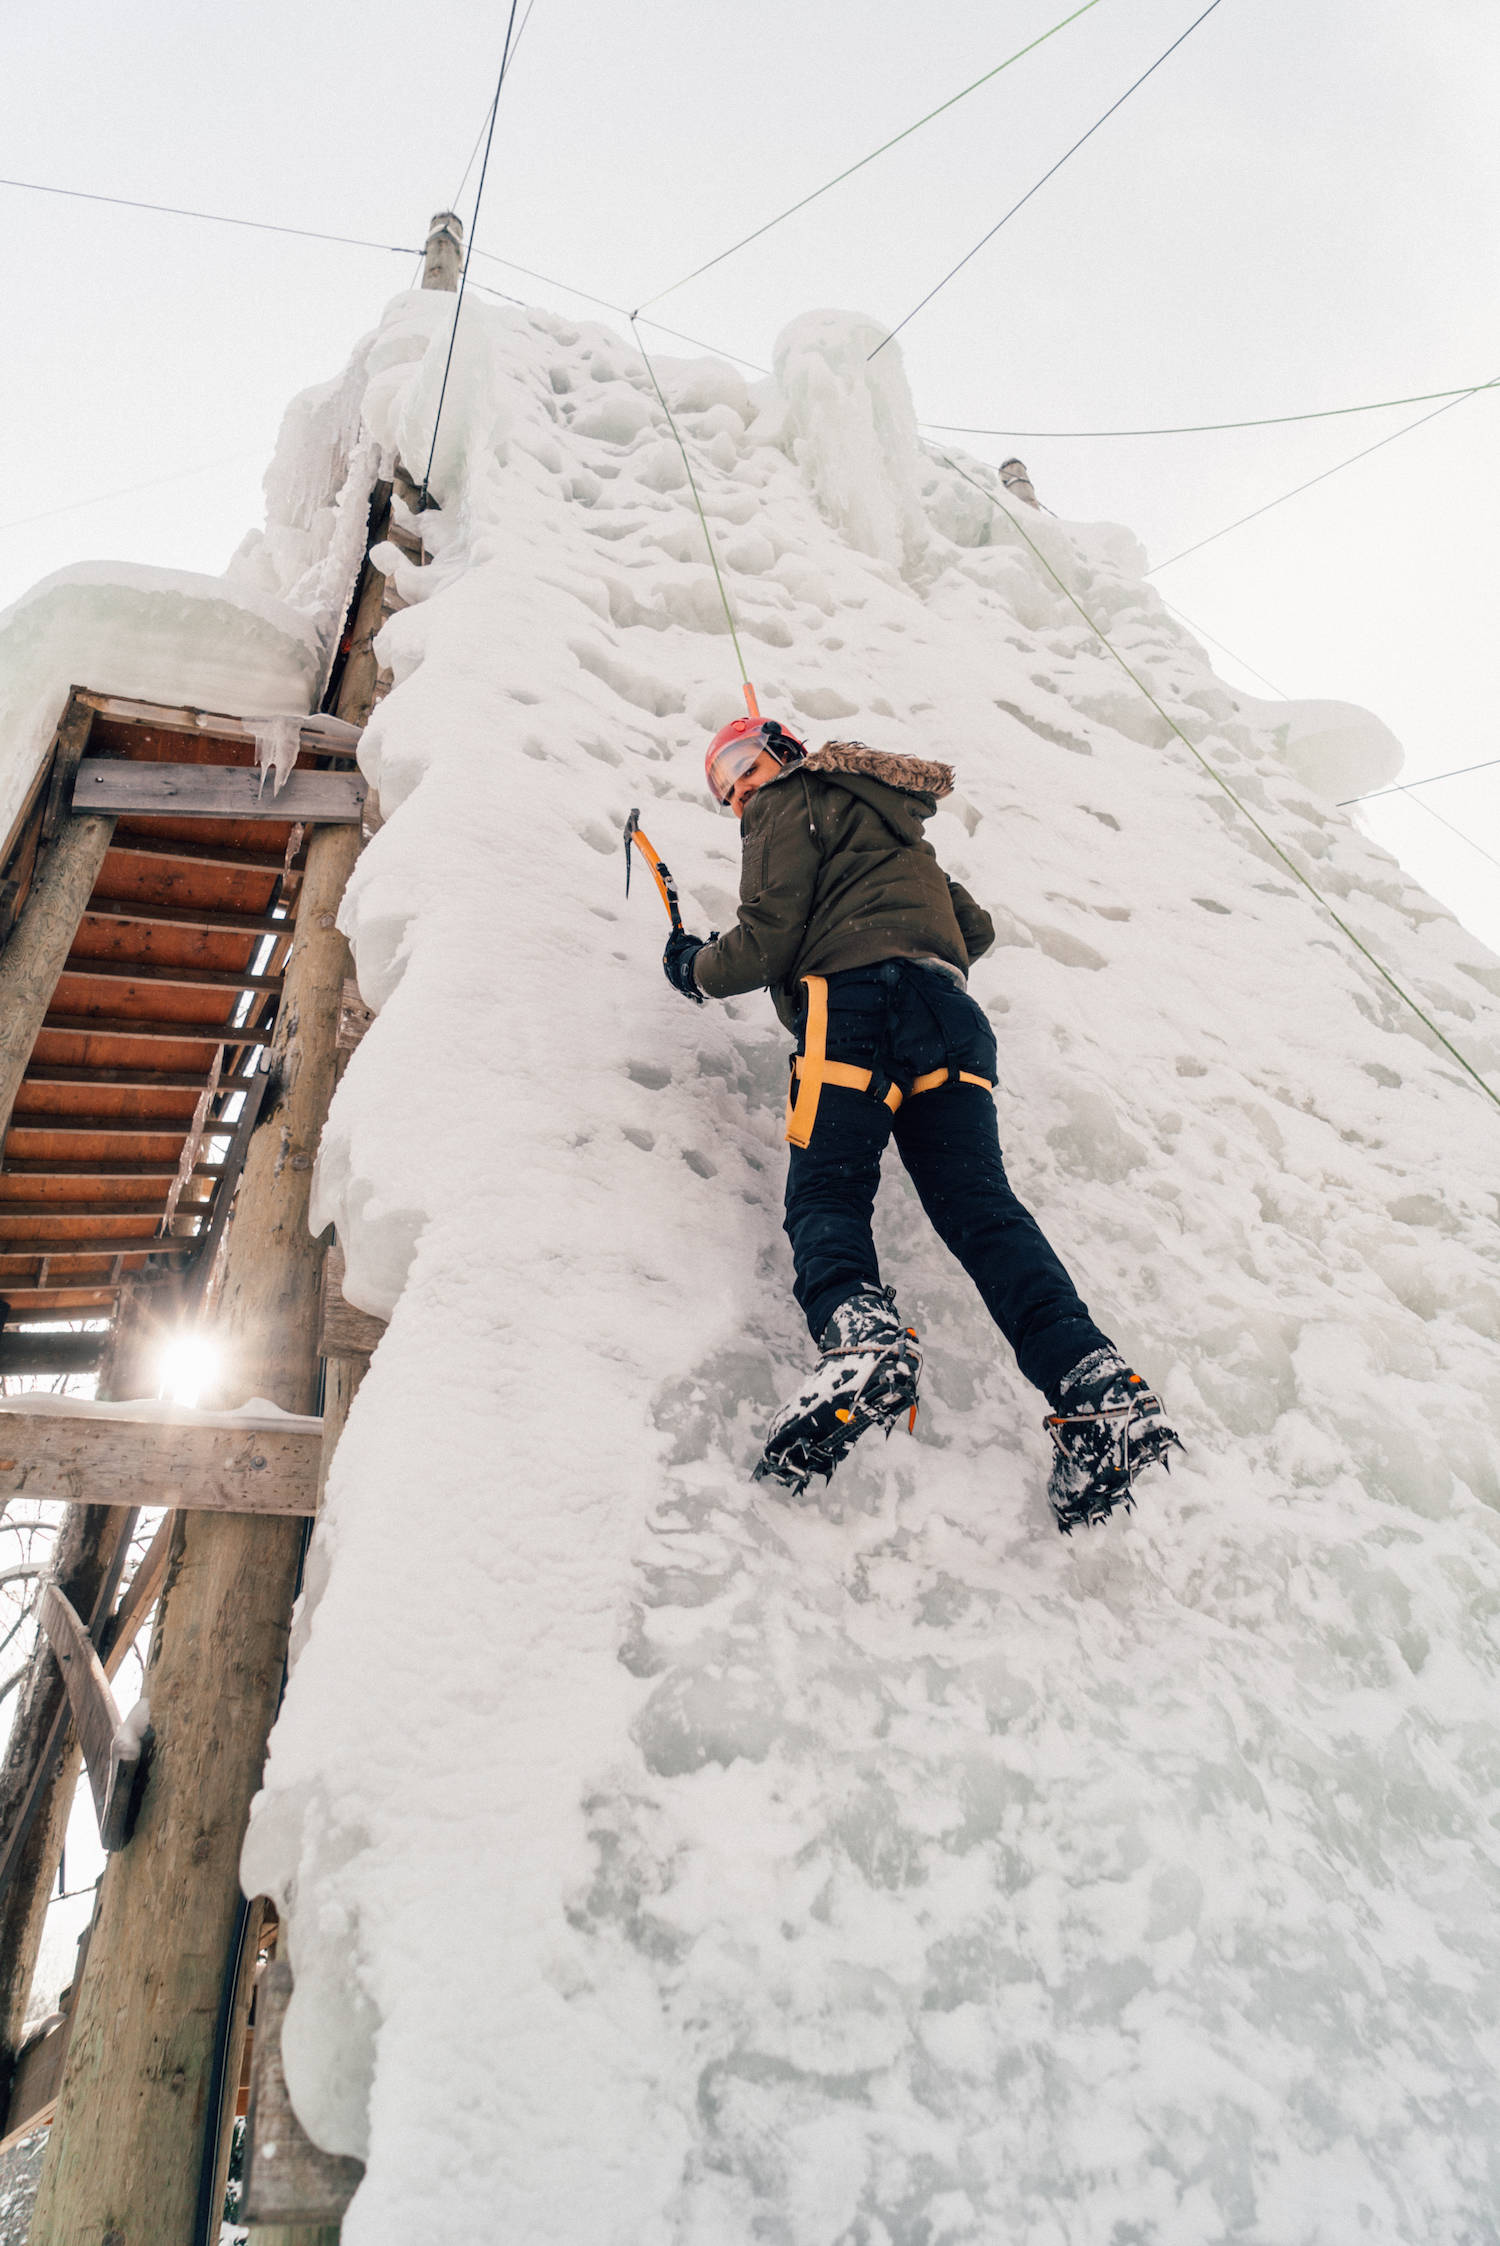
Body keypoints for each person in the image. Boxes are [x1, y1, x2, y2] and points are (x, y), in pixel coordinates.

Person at [661, 715, 1180, 1531]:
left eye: (739, 766)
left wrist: (693, 965)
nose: (737, 793)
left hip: (853, 1006)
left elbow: (766, 939)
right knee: (983, 1211)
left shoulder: (786, 803)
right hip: (950, 1015)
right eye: (724, 789)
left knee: (827, 1192)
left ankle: (860, 1337)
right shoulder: (899, 826)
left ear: (784, 750)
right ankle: (1094, 1390)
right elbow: (973, 928)